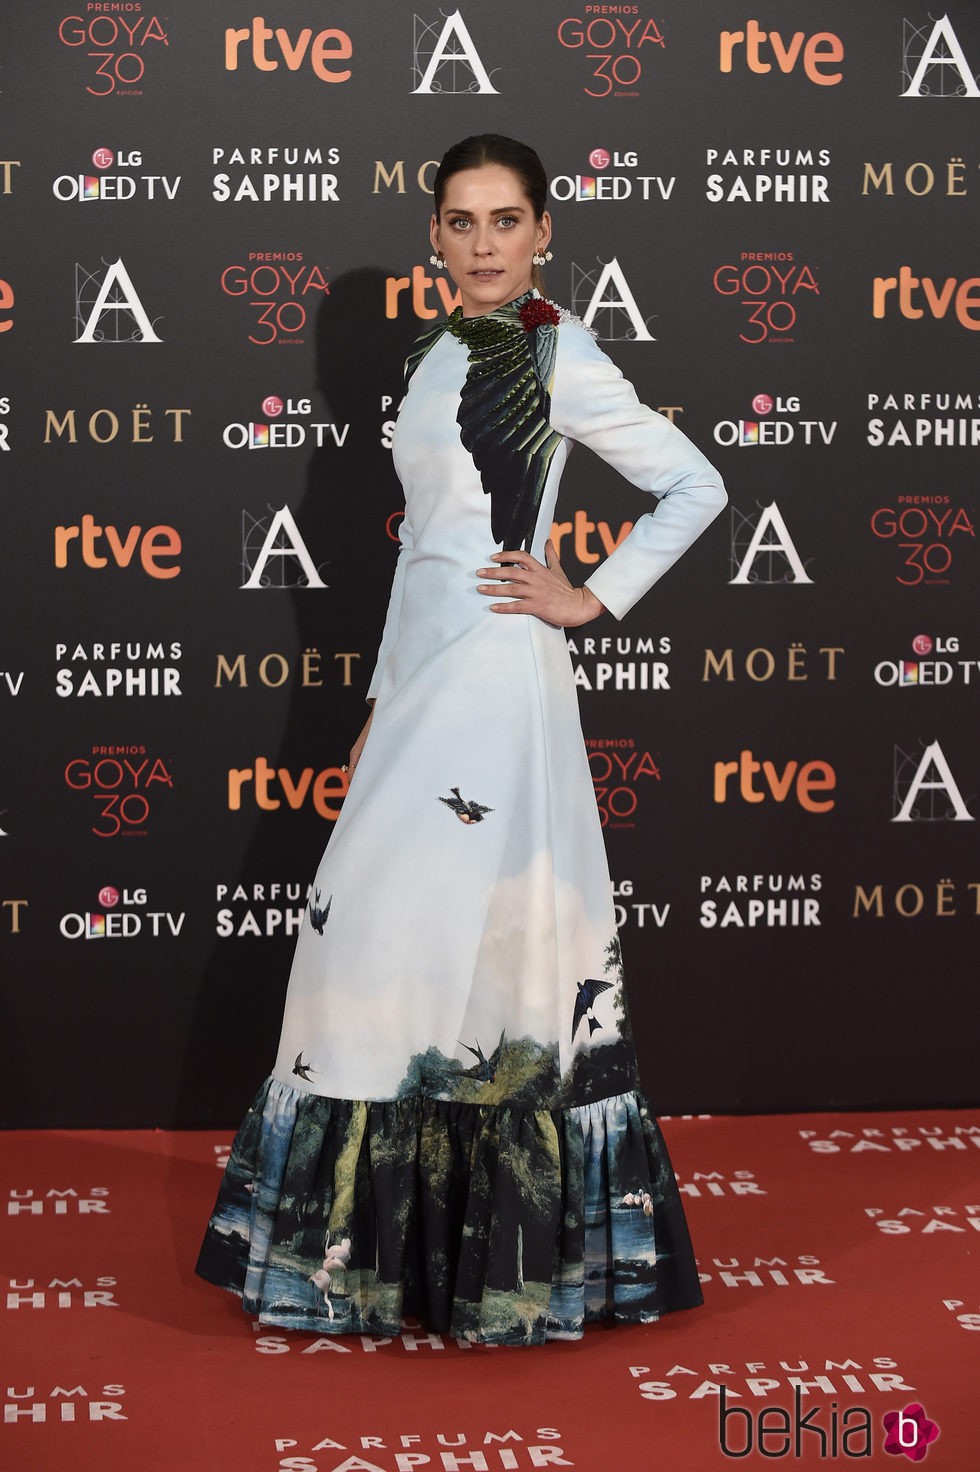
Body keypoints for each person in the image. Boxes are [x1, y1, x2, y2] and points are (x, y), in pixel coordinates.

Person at [197, 134, 726, 1346]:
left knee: (478, 963)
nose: (483, 243)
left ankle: (483, 1260)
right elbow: (423, 552)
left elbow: (693, 484)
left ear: (544, 231)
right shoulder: (434, 351)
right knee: (385, 947)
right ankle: (384, 1261)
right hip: (423, 683)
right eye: (460, 222)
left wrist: (589, 593)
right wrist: (381, 698)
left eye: (504, 221)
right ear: (431, 238)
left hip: (496, 683)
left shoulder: (554, 347)